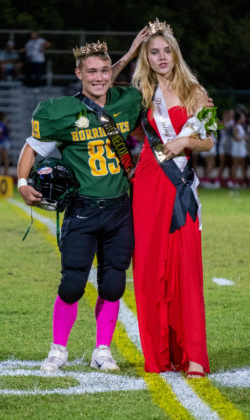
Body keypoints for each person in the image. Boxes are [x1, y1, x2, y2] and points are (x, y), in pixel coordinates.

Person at [17, 32, 148, 372]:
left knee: (114, 283)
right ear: (79, 74)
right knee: (73, 284)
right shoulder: (60, 111)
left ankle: (102, 350)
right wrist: (20, 182)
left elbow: (158, 116)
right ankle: (58, 349)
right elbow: (32, 146)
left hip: (120, 209)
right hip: (82, 209)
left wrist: (199, 105)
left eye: (105, 70)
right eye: (91, 71)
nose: (100, 77)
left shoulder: (127, 100)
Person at [116, 19, 214, 378]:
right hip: (147, 184)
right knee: (150, 269)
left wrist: (186, 141)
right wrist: (128, 52)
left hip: (180, 185)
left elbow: (209, 140)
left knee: (186, 267)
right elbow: (101, 87)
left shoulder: (196, 92)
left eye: (166, 50)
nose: (160, 57)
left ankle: (193, 355)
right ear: (147, 55)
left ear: (175, 53)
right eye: (153, 51)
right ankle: (158, 356)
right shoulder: (139, 92)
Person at [0, 111, 10, 175]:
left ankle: (5, 173)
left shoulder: (2, 124)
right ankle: (2, 173)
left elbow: (1, 133)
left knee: (3, 159)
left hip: (2, 143)